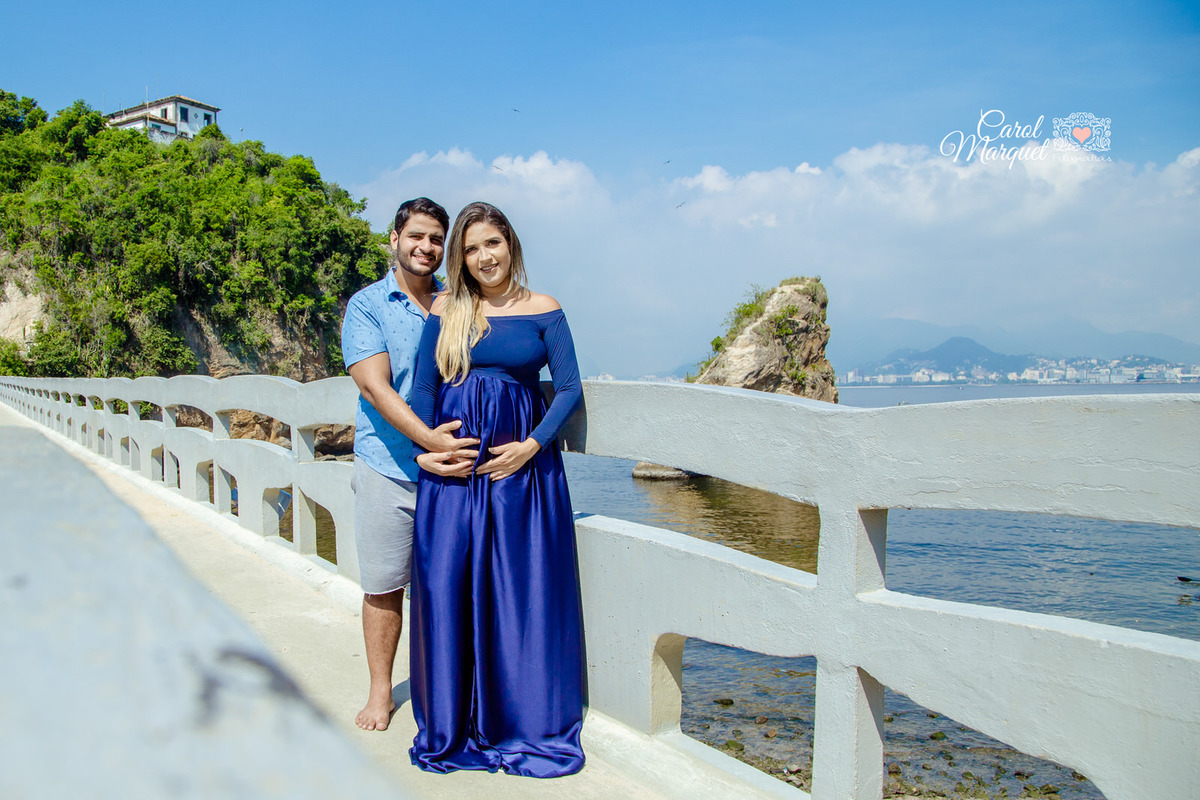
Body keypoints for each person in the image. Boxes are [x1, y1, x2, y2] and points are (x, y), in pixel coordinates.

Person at [407, 201, 585, 777]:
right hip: (454, 474)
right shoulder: (446, 309)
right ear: (460, 258)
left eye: (493, 243)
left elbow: (568, 388)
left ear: (511, 244)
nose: (484, 257)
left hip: (519, 475)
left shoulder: (544, 309)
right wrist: (429, 452)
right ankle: (451, 722)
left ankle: (518, 718)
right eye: (471, 248)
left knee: (517, 590)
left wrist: (532, 445)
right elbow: (424, 391)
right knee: (446, 584)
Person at [340, 197, 479, 732]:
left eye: (436, 239)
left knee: (448, 586)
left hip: (454, 473)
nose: (426, 247)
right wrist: (428, 442)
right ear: (394, 239)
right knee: (383, 586)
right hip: (389, 466)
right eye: (416, 236)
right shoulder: (368, 305)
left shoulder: (458, 302)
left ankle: (447, 688)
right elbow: (375, 388)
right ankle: (381, 691)